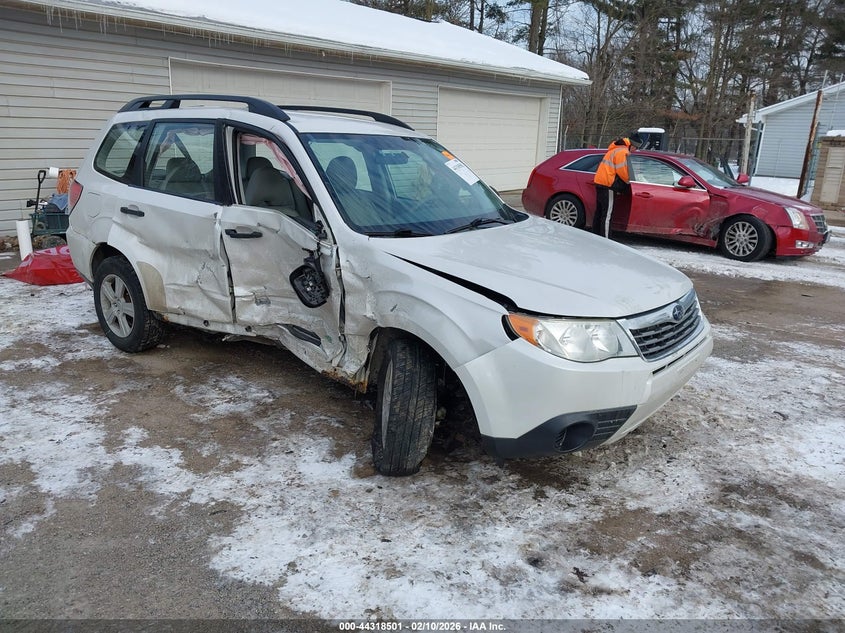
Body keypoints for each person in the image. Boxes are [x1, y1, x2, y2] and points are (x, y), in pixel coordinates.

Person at [592, 132, 643, 237]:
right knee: (607, 215)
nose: (635, 151)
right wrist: (630, 181)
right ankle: (606, 239)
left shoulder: (615, 149)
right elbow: (622, 171)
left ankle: (595, 236)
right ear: (632, 145)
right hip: (609, 185)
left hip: (601, 183)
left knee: (600, 212)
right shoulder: (622, 151)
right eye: (635, 148)